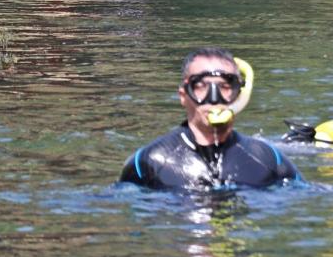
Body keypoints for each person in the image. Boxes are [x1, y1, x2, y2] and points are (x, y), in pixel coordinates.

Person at [119, 48, 301, 191]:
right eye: (201, 86)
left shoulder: (269, 158)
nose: (214, 99)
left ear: (240, 95)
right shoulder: (148, 162)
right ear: (183, 96)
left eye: (225, 86)